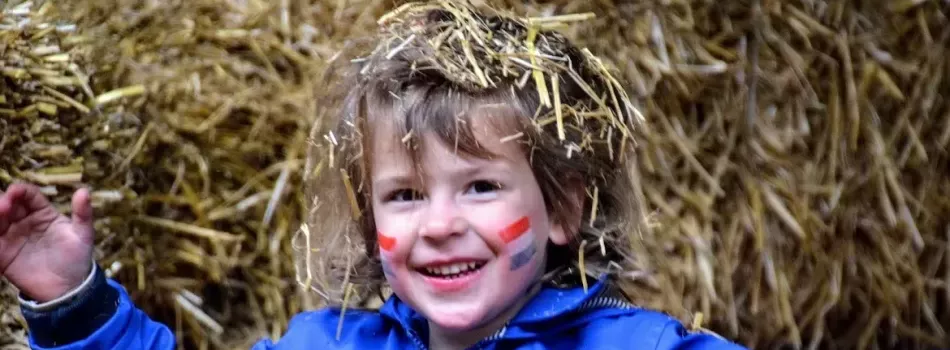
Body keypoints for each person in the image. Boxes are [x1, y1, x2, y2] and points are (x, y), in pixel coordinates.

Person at [0, 1, 747, 349]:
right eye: (404, 195)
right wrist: (76, 301)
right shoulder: (330, 347)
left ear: (562, 209)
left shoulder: (640, 349)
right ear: (369, 224)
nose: (439, 223)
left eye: (480, 185)